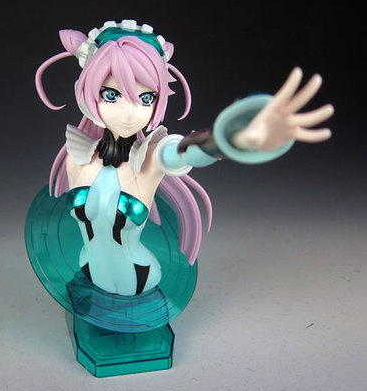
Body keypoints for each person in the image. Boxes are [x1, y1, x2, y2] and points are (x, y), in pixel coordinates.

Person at [35, 20, 333, 297]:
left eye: (146, 98)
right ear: (85, 95)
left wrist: (229, 139)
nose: (129, 112)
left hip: (139, 278)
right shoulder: (77, 158)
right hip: (86, 269)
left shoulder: (149, 161)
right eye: (111, 95)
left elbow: (180, 151)